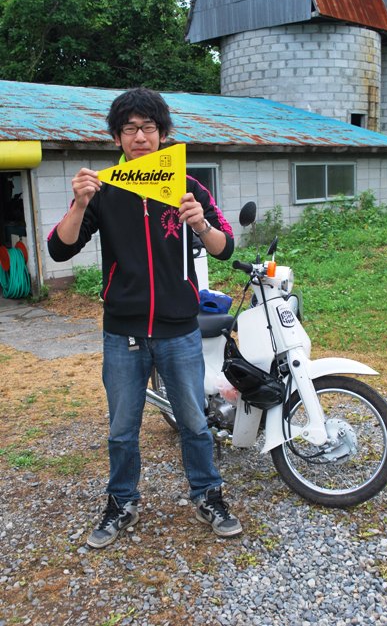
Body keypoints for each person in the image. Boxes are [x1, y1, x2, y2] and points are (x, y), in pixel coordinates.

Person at [48, 87, 242, 548]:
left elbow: (226, 247)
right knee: (122, 428)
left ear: (162, 133)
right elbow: (59, 249)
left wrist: (200, 224)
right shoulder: (104, 188)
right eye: (130, 128)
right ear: (117, 137)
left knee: (194, 421)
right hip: (124, 331)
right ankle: (121, 501)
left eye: (148, 127)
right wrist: (79, 204)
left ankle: (208, 495)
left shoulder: (188, 185)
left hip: (179, 329)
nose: (140, 136)